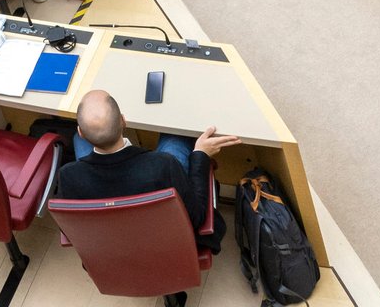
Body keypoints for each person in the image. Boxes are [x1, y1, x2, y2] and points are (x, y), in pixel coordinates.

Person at [56, 90, 242, 253]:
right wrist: (201, 155)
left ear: (81, 131)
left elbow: (71, 229)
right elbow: (196, 217)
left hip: (112, 254)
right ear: (123, 121)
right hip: (170, 247)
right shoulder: (162, 165)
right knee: (174, 135)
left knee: (76, 142)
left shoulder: (68, 176)